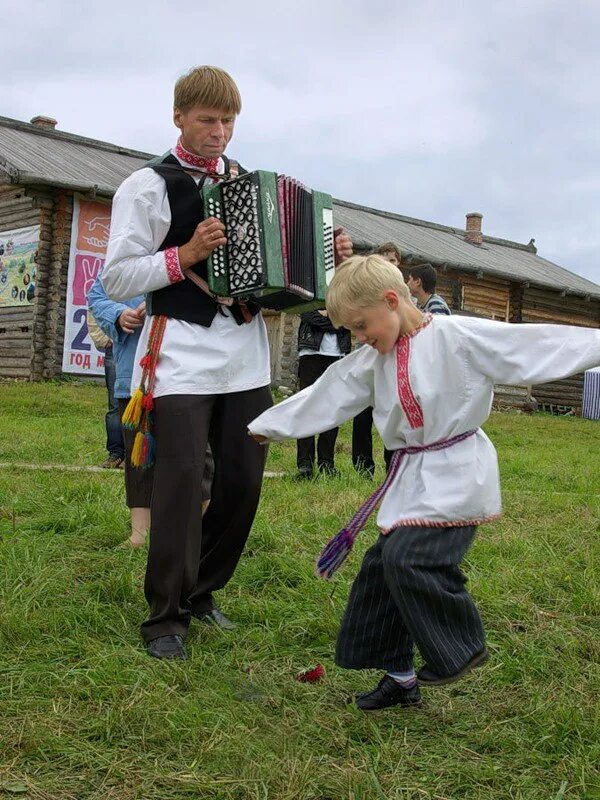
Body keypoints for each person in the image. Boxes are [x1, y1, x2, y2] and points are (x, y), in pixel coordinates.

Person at [248, 254, 600, 711]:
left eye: (360, 326)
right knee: (380, 571)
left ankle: (461, 645)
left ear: (392, 300)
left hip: (456, 473)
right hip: (410, 477)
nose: (359, 338)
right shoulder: (375, 358)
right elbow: (328, 392)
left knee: (408, 559)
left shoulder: (457, 336)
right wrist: (266, 425)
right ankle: (400, 677)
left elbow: (535, 344)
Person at [102, 65, 353, 660]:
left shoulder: (249, 184)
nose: (220, 132)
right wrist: (182, 255)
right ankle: (165, 617)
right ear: (179, 118)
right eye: (208, 120)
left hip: (245, 356)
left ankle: (203, 591)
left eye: (229, 121)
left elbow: (281, 275)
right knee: (183, 485)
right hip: (180, 354)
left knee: (242, 483)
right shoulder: (146, 186)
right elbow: (115, 277)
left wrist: (326, 254)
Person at [87, 276, 154, 547]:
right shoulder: (123, 260)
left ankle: (195, 528)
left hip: (184, 377)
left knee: (194, 455)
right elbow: (96, 295)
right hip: (134, 376)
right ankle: (139, 535)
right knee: (138, 457)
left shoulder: (187, 250)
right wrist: (118, 315)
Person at [351, 242, 401, 477]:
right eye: (385, 261)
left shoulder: (403, 293)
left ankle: (394, 465)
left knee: (392, 415)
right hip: (371, 358)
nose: (389, 265)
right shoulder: (368, 292)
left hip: (397, 361)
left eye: (392, 260)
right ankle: (363, 465)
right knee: (363, 415)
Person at [296, 309, 351, 478]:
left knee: (332, 411)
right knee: (307, 409)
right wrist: (334, 320)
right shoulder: (311, 288)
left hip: (337, 356)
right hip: (310, 354)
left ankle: (327, 463)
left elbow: (347, 318)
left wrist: (328, 315)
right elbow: (307, 315)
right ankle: (305, 464)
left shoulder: (343, 291)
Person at [86, 315, 125, 470]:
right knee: (115, 403)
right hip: (114, 345)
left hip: (138, 345)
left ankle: (132, 455)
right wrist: (104, 339)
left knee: (138, 401)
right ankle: (116, 453)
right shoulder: (104, 289)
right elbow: (93, 310)